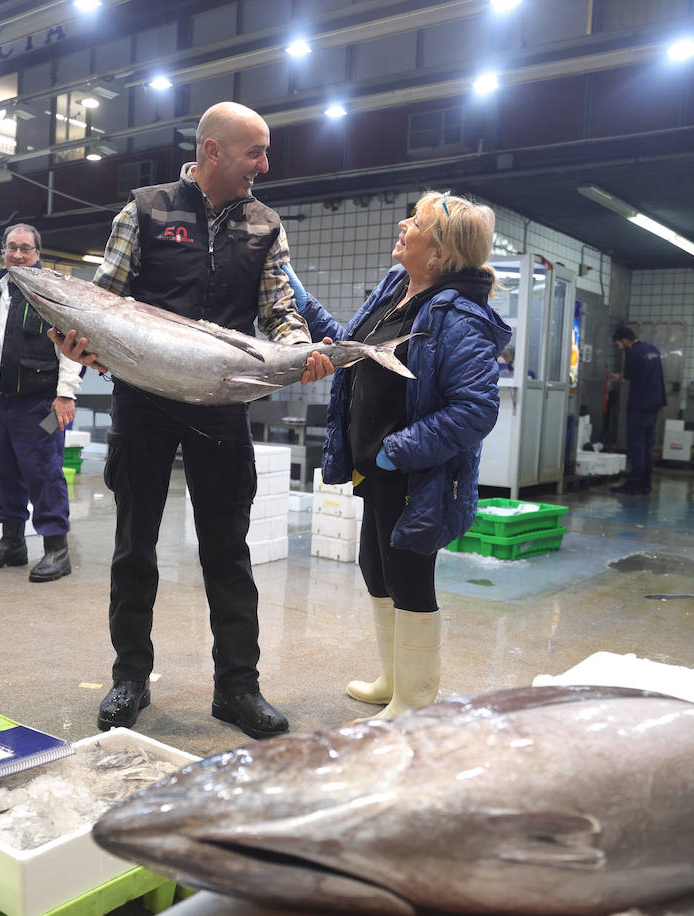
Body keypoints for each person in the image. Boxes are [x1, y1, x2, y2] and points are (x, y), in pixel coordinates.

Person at [55, 101, 334, 741]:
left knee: (228, 551)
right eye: (254, 153)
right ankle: (130, 678)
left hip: (221, 407)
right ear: (213, 151)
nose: (264, 166)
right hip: (144, 405)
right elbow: (102, 301)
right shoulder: (147, 210)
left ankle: (238, 689)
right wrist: (75, 343)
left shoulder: (264, 223)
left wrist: (302, 352)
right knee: (134, 548)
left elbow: (279, 309)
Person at [287, 191, 511, 720]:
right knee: (376, 569)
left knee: (409, 577)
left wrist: (395, 452)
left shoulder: (461, 317)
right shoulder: (399, 292)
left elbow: (476, 409)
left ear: (438, 252)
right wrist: (298, 295)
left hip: (412, 474)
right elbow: (355, 347)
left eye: (416, 221)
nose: (402, 224)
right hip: (378, 466)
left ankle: (415, 701)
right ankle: (394, 680)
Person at [0, 224, 79, 583]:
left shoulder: (49, 294)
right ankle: (12, 543)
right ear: (2, 251)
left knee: (44, 473)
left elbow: (71, 349)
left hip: (42, 406)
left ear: (37, 254)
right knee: (3, 473)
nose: (18, 254)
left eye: (26, 249)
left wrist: (65, 394)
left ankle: (56, 550)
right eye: (12, 248)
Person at [611, 326, 666, 495]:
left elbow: (627, 378)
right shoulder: (653, 350)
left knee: (636, 445)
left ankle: (634, 484)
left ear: (625, 340)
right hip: (655, 403)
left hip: (639, 405)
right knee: (648, 445)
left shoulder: (633, 353)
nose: (619, 348)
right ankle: (646, 484)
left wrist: (616, 377)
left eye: (618, 344)